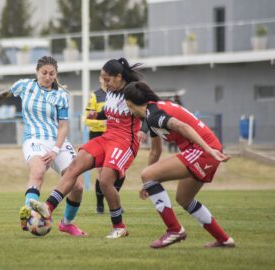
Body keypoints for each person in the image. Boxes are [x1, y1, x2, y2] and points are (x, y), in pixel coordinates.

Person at [30, 58, 144, 238]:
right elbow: (110, 111)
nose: (104, 83)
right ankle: (48, 208)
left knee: (105, 180)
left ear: (119, 77)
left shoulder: (134, 91)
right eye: (102, 79)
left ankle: (119, 226)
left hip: (125, 142)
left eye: (107, 80)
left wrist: (144, 130)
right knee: (74, 166)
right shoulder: (112, 91)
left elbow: (150, 110)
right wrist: (97, 114)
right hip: (107, 137)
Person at [0, 56, 87, 236]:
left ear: (56, 75)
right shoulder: (25, 86)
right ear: (37, 72)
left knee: (77, 185)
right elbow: (7, 93)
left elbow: (63, 127)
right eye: (44, 73)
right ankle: (29, 215)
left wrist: (55, 150)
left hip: (58, 143)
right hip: (34, 140)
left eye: (51, 74)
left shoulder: (60, 96)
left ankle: (67, 224)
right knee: (37, 172)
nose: (47, 77)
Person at [123, 81, 235, 248]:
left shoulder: (154, 115)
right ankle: (224, 240)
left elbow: (181, 126)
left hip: (203, 151)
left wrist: (208, 150)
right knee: (184, 199)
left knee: (148, 175)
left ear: (130, 103)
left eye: (128, 107)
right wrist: (148, 183)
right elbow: (155, 152)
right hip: (202, 151)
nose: (129, 111)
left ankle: (174, 230)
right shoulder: (151, 115)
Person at [84, 75, 125, 214]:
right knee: (103, 173)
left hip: (115, 137)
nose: (106, 81)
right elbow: (87, 120)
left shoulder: (117, 94)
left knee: (119, 173)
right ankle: (100, 205)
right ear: (100, 80)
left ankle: (113, 199)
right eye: (103, 78)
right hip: (98, 136)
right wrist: (102, 122)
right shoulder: (95, 96)